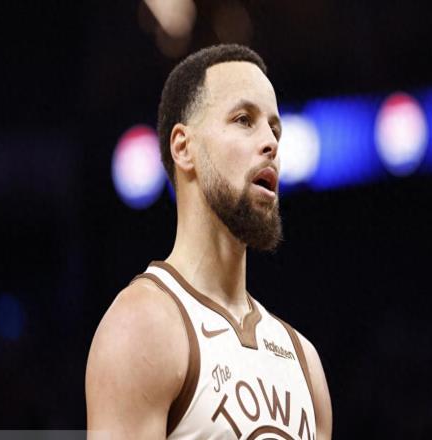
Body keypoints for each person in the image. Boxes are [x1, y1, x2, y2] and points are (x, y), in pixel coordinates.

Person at [86, 44, 332, 440]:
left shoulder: (305, 363)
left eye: (275, 129)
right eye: (244, 120)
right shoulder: (143, 325)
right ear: (184, 148)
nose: (270, 143)